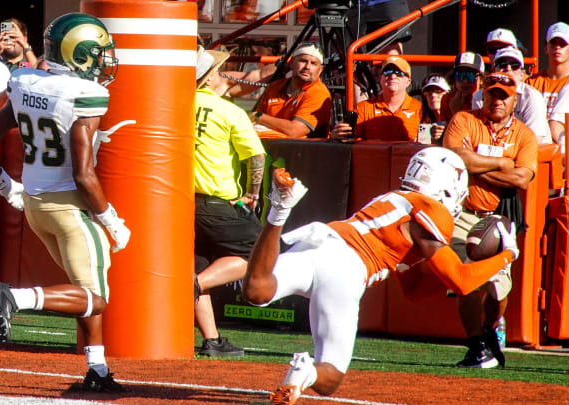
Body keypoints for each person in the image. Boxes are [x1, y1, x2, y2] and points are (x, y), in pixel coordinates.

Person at [241, 147, 519, 404]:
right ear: (450, 186)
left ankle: (279, 209)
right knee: (330, 378)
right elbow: (462, 281)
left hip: (321, 240)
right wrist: (508, 255)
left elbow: (413, 290)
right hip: (346, 267)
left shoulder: (392, 199)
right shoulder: (432, 210)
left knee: (257, 289)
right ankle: (306, 372)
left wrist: (469, 263)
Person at [0, 13, 129, 392]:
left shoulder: (25, 81)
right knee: (96, 299)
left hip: (36, 206)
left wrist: (9, 189)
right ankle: (16, 297)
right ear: (79, 54)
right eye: (99, 52)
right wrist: (111, 220)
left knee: (84, 292)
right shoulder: (85, 94)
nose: (106, 59)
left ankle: (98, 371)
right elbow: (84, 175)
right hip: (70, 207)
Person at [442, 72, 537, 369]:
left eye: (504, 95)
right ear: (484, 95)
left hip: (498, 219)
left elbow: (522, 179)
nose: (497, 100)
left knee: (498, 288)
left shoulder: (524, 134)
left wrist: (474, 165)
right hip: (462, 212)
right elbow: (454, 157)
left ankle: (490, 326)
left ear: (514, 100)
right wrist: (500, 163)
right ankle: (475, 345)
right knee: (465, 280)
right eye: (492, 94)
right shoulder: (464, 120)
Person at [193, 45, 265, 356]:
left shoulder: (174, 103)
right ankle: (187, 290)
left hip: (179, 204)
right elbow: (256, 156)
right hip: (215, 203)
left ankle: (212, 340)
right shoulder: (230, 111)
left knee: (200, 270)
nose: (228, 75)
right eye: (220, 71)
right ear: (207, 80)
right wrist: (252, 193)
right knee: (261, 254)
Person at [249, 42, 332, 139]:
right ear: (292, 63)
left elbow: (294, 131)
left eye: (313, 63)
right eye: (303, 61)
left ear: (320, 70)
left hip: (302, 150)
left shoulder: (318, 93)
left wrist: (260, 117)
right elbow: (252, 121)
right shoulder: (275, 86)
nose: (307, 67)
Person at [331, 55, 422, 142]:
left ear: (408, 82)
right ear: (380, 79)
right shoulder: (364, 108)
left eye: (399, 73)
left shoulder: (420, 110)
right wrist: (336, 136)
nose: (392, 76)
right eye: (387, 72)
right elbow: (346, 137)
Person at [472, 47, 551, 144]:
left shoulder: (532, 97)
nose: (508, 68)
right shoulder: (479, 96)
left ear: (522, 74)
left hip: (535, 154)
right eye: (502, 64)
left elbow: (533, 142)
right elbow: (477, 136)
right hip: (494, 150)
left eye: (514, 65)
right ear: (493, 70)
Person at [525, 22, 569, 117]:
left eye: (563, 44)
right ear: (546, 48)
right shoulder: (531, 83)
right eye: (553, 43)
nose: (557, 47)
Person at [441, 52, 485, 121]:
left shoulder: (485, 99)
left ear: (481, 79)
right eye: (460, 75)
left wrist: (456, 112)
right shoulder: (447, 99)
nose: (465, 81)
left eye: (470, 76)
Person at [418, 73, 450, 144]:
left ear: (449, 94)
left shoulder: (456, 119)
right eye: (428, 92)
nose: (433, 95)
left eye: (438, 91)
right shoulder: (422, 121)